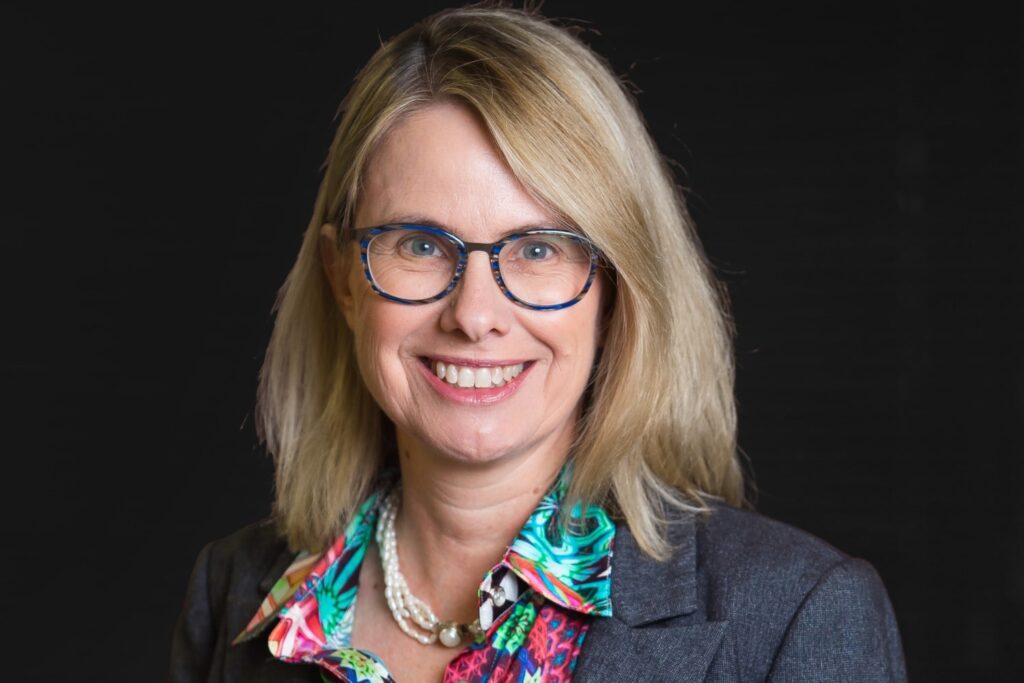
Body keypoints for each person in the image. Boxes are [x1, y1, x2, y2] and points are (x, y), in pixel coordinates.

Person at [168, 5, 907, 682]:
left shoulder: (793, 617)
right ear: (342, 280)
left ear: (618, 287)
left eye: (540, 249)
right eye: (421, 244)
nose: (475, 314)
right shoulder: (233, 592)